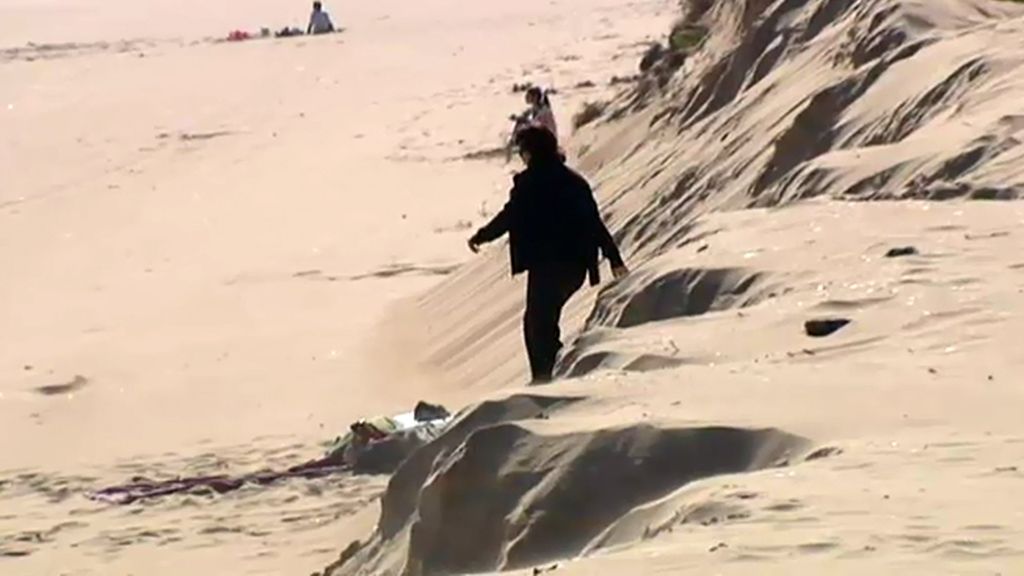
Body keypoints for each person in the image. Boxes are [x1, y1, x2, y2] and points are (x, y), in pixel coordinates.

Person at [468, 127, 628, 384]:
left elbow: (508, 217)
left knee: (538, 324)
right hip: (574, 266)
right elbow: (593, 223)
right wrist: (614, 258)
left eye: (523, 151)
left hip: (549, 266)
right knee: (541, 322)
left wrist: (481, 236)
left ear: (530, 152)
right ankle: (549, 377)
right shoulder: (573, 181)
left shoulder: (530, 184)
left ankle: (546, 382)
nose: (522, 156)